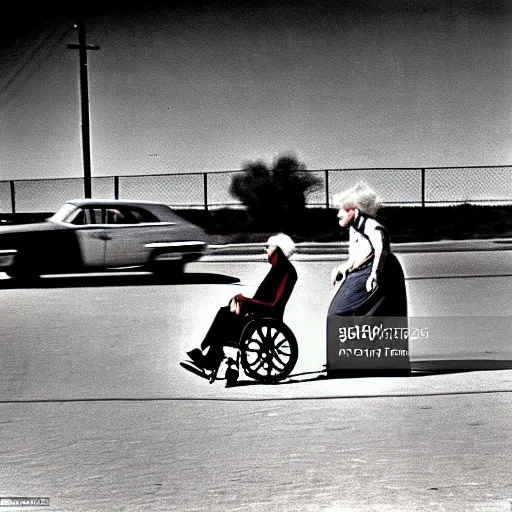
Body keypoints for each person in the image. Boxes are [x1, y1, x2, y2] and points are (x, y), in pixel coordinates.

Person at [186, 233, 297, 371]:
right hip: (259, 312)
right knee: (224, 313)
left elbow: (275, 305)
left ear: (277, 250)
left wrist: (246, 302)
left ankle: (211, 359)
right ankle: (212, 356)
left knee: (224, 316)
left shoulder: (286, 272)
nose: (266, 250)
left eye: (268, 247)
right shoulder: (278, 269)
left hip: (265, 315)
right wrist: (243, 302)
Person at [328, 181, 407, 317]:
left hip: (374, 270)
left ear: (356, 211)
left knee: (341, 313)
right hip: (361, 271)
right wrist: (344, 267)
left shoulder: (372, 226)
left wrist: (375, 273)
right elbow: (356, 255)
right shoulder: (354, 229)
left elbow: (380, 248)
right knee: (339, 313)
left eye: (343, 209)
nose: (339, 214)